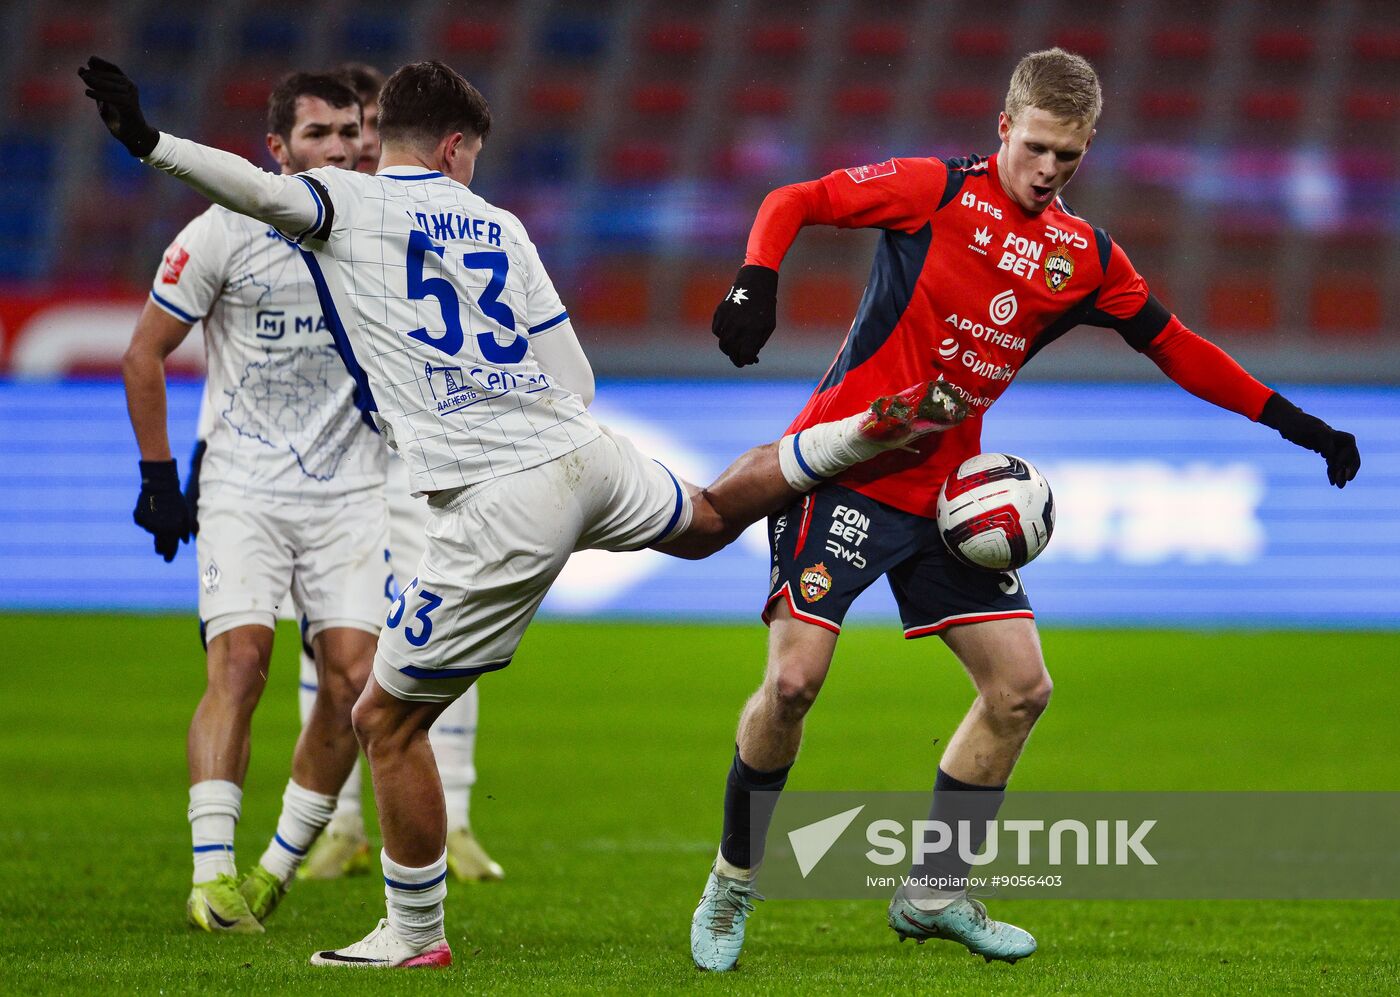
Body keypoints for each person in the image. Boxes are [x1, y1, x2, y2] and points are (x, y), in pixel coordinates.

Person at [81, 57, 969, 966]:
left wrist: (150, 143)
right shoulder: (499, 224)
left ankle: (413, 935)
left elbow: (250, 190)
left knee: (385, 721)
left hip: (496, 491)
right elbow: (574, 378)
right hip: (580, 449)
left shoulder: (349, 202)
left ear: (393, 138)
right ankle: (861, 432)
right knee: (705, 520)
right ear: (459, 146)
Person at [689, 47, 1361, 970]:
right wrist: (754, 278)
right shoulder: (931, 191)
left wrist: (1297, 424)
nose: (1049, 171)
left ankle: (935, 889)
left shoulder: (1083, 257)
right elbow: (792, 200)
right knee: (795, 682)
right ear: (1004, 128)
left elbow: (1177, 347)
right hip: (847, 466)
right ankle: (734, 877)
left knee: (1021, 689)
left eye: (1069, 158)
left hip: (953, 496)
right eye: (1037, 148)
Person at [120, 72, 390, 934]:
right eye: (319, 134)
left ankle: (274, 866)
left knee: (356, 686)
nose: (342, 148)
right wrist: (159, 477)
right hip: (244, 486)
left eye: (351, 131)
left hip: (355, 491)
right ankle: (210, 873)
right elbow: (143, 353)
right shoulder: (224, 230)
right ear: (276, 151)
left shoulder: (381, 226)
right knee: (240, 666)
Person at [294, 61, 504, 884]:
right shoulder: (316, 215)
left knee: (442, 623)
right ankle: (343, 823)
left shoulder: (413, 218)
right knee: (333, 642)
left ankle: (452, 815)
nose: (352, 146)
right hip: (331, 463)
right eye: (338, 132)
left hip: (418, 455)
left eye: (362, 132)